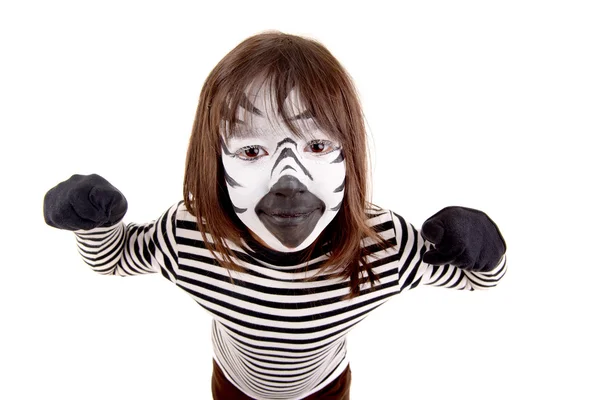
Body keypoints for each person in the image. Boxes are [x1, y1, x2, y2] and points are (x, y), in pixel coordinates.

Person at [43, 31, 507, 400]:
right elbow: (116, 258)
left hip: (326, 387)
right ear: (214, 161)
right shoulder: (191, 235)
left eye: (319, 145)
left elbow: (475, 280)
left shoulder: (383, 247)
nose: (289, 179)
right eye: (250, 149)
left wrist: (484, 250)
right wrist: (94, 221)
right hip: (233, 384)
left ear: (350, 154)